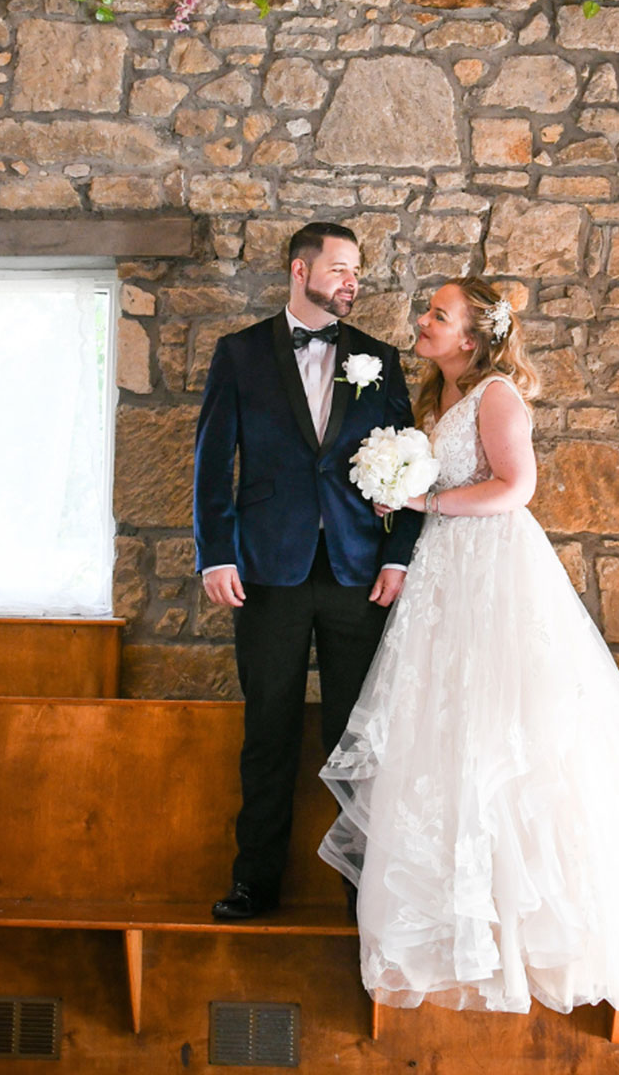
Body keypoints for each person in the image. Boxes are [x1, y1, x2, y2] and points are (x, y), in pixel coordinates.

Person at [319, 276, 619, 1014]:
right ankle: (460, 921)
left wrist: (422, 500)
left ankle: (527, 927)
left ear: (472, 337)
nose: (423, 322)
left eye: (439, 314)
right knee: (446, 735)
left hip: (492, 569)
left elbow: (515, 486)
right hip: (445, 576)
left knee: (509, 737)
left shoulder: (495, 396)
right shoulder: (442, 400)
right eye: (427, 311)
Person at [195, 220, 421, 922]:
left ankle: (365, 895)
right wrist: (217, 554)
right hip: (266, 573)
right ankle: (254, 885)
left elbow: (414, 463)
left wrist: (397, 554)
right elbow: (211, 462)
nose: (353, 282)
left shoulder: (379, 360)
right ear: (301, 270)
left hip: (358, 575)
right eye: (341, 269)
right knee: (269, 730)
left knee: (356, 741)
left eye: (357, 272)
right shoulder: (239, 355)